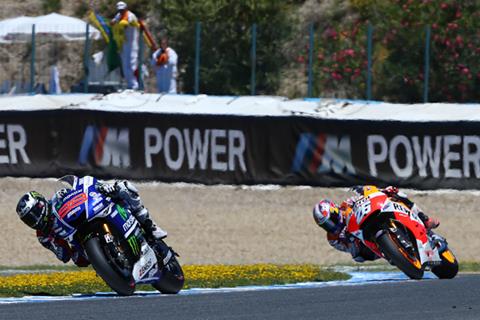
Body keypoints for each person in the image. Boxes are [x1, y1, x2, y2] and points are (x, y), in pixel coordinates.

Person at [16, 178, 168, 267]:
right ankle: (110, 265)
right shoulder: (43, 235)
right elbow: (64, 257)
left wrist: (100, 187)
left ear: (41, 205)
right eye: (29, 220)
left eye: (34, 215)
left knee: (123, 188)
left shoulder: (57, 198)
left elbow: (81, 187)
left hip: (87, 212)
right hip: (78, 243)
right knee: (78, 260)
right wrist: (57, 244)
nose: (34, 221)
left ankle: (149, 225)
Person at [312, 185, 440, 262]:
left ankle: (424, 220)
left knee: (396, 193)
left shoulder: (347, 205)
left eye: (331, 220)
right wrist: (349, 239)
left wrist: (378, 191)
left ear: (335, 210)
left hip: (372, 218)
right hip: (366, 244)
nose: (331, 226)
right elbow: (351, 251)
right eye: (326, 225)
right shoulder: (333, 239)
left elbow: (367, 197)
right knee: (359, 256)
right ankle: (394, 255)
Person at [111, 1, 140, 90]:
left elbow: (130, 22)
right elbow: (114, 21)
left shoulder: (131, 15)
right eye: (120, 10)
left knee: (132, 64)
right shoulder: (119, 15)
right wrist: (114, 22)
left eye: (122, 10)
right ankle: (129, 85)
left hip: (132, 44)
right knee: (125, 65)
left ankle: (135, 85)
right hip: (124, 43)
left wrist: (125, 22)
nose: (121, 12)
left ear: (126, 8)